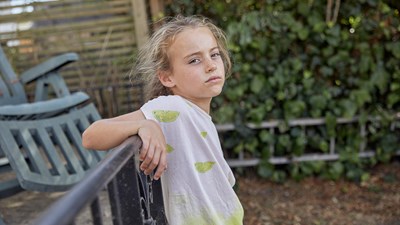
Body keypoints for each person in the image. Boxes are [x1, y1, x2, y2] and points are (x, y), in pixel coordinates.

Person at [82, 15, 244, 225]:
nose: (211, 65)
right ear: (168, 77)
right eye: (195, 60)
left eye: (214, 54)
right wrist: (144, 123)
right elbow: (91, 135)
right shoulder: (173, 108)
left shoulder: (197, 114)